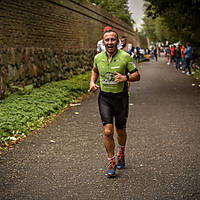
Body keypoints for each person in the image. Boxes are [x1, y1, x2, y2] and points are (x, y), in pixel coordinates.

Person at [89, 29, 140, 177]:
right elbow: (95, 70)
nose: (110, 42)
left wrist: (126, 78)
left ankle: (121, 153)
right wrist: (92, 82)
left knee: (120, 130)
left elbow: (137, 75)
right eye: (107, 40)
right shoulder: (98, 57)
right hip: (105, 98)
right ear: (103, 42)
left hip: (121, 99)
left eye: (113, 40)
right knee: (108, 131)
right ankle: (111, 162)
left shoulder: (125, 57)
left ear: (117, 42)